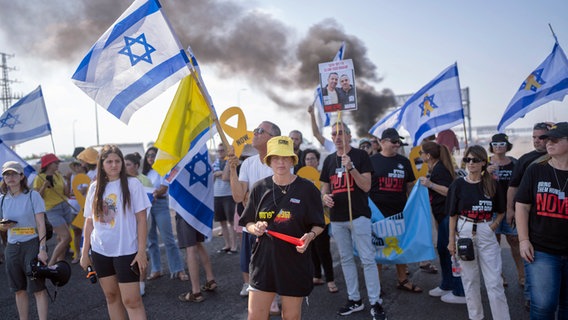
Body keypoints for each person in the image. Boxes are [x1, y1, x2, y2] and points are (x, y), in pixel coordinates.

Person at [239, 136, 325, 320]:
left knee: (291, 317)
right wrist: (257, 228)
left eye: (286, 157)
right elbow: (248, 222)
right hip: (263, 262)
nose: (281, 162)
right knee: (255, 316)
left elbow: (319, 224)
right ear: (268, 161)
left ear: (293, 160)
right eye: (276, 157)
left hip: (294, 262)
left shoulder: (307, 189)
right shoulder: (259, 188)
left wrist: (310, 236)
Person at [320, 121, 386, 320]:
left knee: (367, 259)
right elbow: (325, 187)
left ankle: (375, 302)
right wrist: (325, 197)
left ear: (349, 135)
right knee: (347, 260)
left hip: (358, 216)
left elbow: (366, 186)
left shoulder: (361, 156)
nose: (337, 137)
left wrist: (351, 168)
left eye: (341, 133)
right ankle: (355, 299)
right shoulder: (329, 160)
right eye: (333, 134)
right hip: (337, 218)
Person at [80, 145, 151, 319]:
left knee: (132, 301)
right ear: (101, 164)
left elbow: (142, 219)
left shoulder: (133, 184)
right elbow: (89, 221)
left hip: (126, 251)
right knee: (111, 297)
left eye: (117, 161)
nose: (114, 165)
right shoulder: (94, 187)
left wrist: (141, 251)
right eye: (109, 161)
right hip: (100, 251)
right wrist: (84, 252)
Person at [447, 145, 510, 320]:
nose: (471, 163)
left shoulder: (492, 184)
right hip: (464, 231)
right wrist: (451, 241)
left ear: (484, 162)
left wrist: (494, 225)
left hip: (486, 230)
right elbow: (452, 215)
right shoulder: (458, 184)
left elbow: (502, 210)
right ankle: (476, 317)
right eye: (468, 159)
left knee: (494, 282)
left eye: (475, 160)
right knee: (470, 281)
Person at [227, 121, 282, 314]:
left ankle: (274, 298)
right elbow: (238, 196)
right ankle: (261, 301)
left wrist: (251, 197)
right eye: (256, 130)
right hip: (251, 224)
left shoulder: (280, 161)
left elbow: (279, 194)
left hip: (274, 225)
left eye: (260, 131)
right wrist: (232, 168)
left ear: (272, 138)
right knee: (254, 264)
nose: (255, 133)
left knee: (272, 263)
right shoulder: (248, 163)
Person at [515, 122, 568, 319]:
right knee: (544, 305)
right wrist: (523, 240)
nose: (548, 143)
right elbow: (522, 205)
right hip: (542, 249)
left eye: (554, 139)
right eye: (547, 139)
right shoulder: (536, 170)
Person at [369, 128, 422, 294]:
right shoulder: (372, 161)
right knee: (377, 249)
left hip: (399, 212)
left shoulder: (404, 162)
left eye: (398, 141)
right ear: (382, 142)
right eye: (393, 141)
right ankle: (376, 285)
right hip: (376, 214)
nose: (397, 144)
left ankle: (402, 279)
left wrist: (412, 208)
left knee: (399, 246)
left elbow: (410, 186)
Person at [506, 121, 551, 311]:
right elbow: (513, 186)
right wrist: (510, 209)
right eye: (534, 137)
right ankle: (530, 296)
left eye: (541, 137)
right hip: (531, 217)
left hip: (555, 217)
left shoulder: (562, 156)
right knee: (531, 257)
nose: (537, 141)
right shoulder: (526, 160)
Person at [0, 161, 49, 320]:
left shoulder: (32, 195)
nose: (10, 177)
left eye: (14, 173)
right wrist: (3, 226)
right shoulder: (1, 199)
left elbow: (41, 223)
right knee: (18, 289)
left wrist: (42, 249)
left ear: (22, 176)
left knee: (38, 288)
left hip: (32, 244)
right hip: (12, 247)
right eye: (7, 174)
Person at [419, 141, 466, 304]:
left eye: (421, 153)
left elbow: (449, 191)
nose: (420, 156)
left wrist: (430, 184)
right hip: (442, 216)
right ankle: (447, 284)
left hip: (448, 217)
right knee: (444, 251)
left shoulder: (440, 170)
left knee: (451, 252)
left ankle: (460, 291)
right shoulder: (436, 168)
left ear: (428, 155)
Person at [142, 147, 188, 281]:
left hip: (160, 204)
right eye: (148, 155)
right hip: (147, 207)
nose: (150, 157)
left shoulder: (163, 170)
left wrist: (155, 194)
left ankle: (178, 269)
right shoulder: (145, 173)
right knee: (151, 241)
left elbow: (165, 187)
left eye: (153, 155)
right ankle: (156, 269)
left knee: (168, 239)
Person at [486, 133, 523, 288]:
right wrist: (485, 173)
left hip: (510, 210)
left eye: (502, 144)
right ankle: (499, 276)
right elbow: (472, 182)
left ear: (507, 146)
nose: (498, 147)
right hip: (491, 210)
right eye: (495, 144)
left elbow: (521, 185)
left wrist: (514, 208)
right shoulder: (484, 163)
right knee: (494, 244)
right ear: (491, 146)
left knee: (515, 241)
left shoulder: (515, 163)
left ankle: (523, 276)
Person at [303, 148, 338, 293]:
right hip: (305, 220)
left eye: (312, 159)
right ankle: (316, 275)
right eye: (307, 159)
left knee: (323, 250)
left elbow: (327, 196)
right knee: (311, 250)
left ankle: (330, 280)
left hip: (322, 219)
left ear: (318, 161)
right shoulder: (300, 178)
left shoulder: (323, 177)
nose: (310, 161)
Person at [33, 153, 73, 266]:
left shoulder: (58, 175)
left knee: (61, 237)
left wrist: (68, 180)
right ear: (49, 164)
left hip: (65, 207)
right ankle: (51, 264)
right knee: (67, 237)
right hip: (52, 210)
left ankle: (60, 263)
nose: (58, 164)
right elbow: (37, 198)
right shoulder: (39, 178)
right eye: (56, 162)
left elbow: (66, 193)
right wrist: (44, 186)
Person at [124, 152, 153, 296]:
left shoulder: (145, 181)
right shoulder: (120, 180)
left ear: (136, 166)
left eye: (128, 164)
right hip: (126, 223)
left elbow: (147, 204)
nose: (125, 167)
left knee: (141, 250)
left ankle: (141, 282)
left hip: (142, 220)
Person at [176, 212, 218, 303]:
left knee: (190, 247)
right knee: (198, 243)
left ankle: (196, 292)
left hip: (184, 209)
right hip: (197, 210)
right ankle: (210, 280)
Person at [212, 143, 237, 253]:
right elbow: (214, 175)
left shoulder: (230, 162)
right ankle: (227, 244)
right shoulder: (215, 163)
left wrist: (220, 173)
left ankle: (234, 246)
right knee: (222, 222)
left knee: (231, 222)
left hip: (228, 195)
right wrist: (220, 173)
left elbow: (226, 177)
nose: (220, 152)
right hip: (217, 195)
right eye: (219, 150)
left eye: (222, 150)